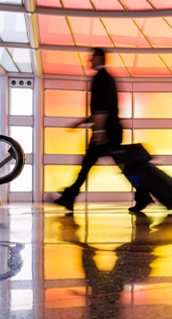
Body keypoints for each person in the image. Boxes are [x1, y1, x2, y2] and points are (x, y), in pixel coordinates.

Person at [54, 48, 150, 212]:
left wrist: (99, 133)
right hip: (110, 130)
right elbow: (101, 110)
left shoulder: (101, 78)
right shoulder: (106, 78)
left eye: (92, 58)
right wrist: (81, 123)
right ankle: (142, 195)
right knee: (109, 165)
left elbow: (102, 110)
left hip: (106, 132)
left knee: (92, 165)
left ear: (100, 58)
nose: (90, 61)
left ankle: (69, 197)